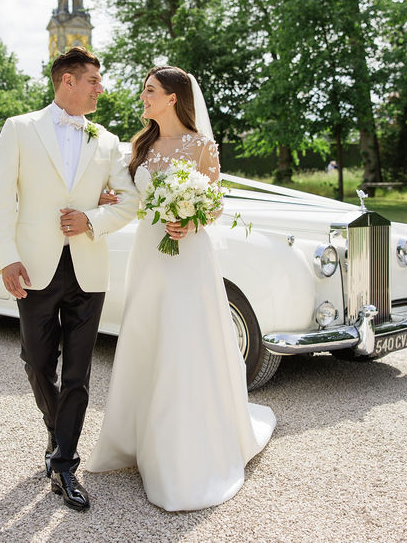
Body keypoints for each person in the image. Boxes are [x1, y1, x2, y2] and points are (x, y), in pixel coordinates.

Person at [86, 66, 276, 511]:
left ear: (173, 97)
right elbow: (133, 201)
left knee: (186, 344)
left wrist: (189, 218)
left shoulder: (201, 146)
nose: (142, 98)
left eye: (149, 91)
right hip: (150, 254)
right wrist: (109, 200)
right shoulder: (141, 144)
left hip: (188, 255)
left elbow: (214, 206)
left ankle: (185, 452)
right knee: (148, 339)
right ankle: (138, 439)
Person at [0, 47, 139, 512]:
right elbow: (1, 198)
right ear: (67, 82)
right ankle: (58, 432)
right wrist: (6, 258)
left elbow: (129, 200)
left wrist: (91, 218)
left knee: (78, 371)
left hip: (89, 269)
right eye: (93, 80)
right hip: (34, 265)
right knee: (36, 363)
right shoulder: (19, 128)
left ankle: (65, 463)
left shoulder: (107, 140)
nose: (100, 88)